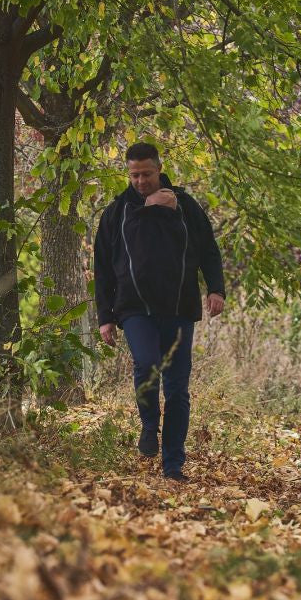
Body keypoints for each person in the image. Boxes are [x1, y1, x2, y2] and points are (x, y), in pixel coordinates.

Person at [94, 143, 225, 481]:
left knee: (178, 389)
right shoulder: (116, 213)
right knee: (147, 364)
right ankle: (149, 426)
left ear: (159, 169)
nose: (140, 181)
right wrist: (105, 317)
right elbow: (103, 268)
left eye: (146, 174)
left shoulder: (185, 206)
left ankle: (173, 466)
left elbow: (209, 249)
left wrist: (216, 288)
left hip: (180, 306)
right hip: (134, 307)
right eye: (134, 175)